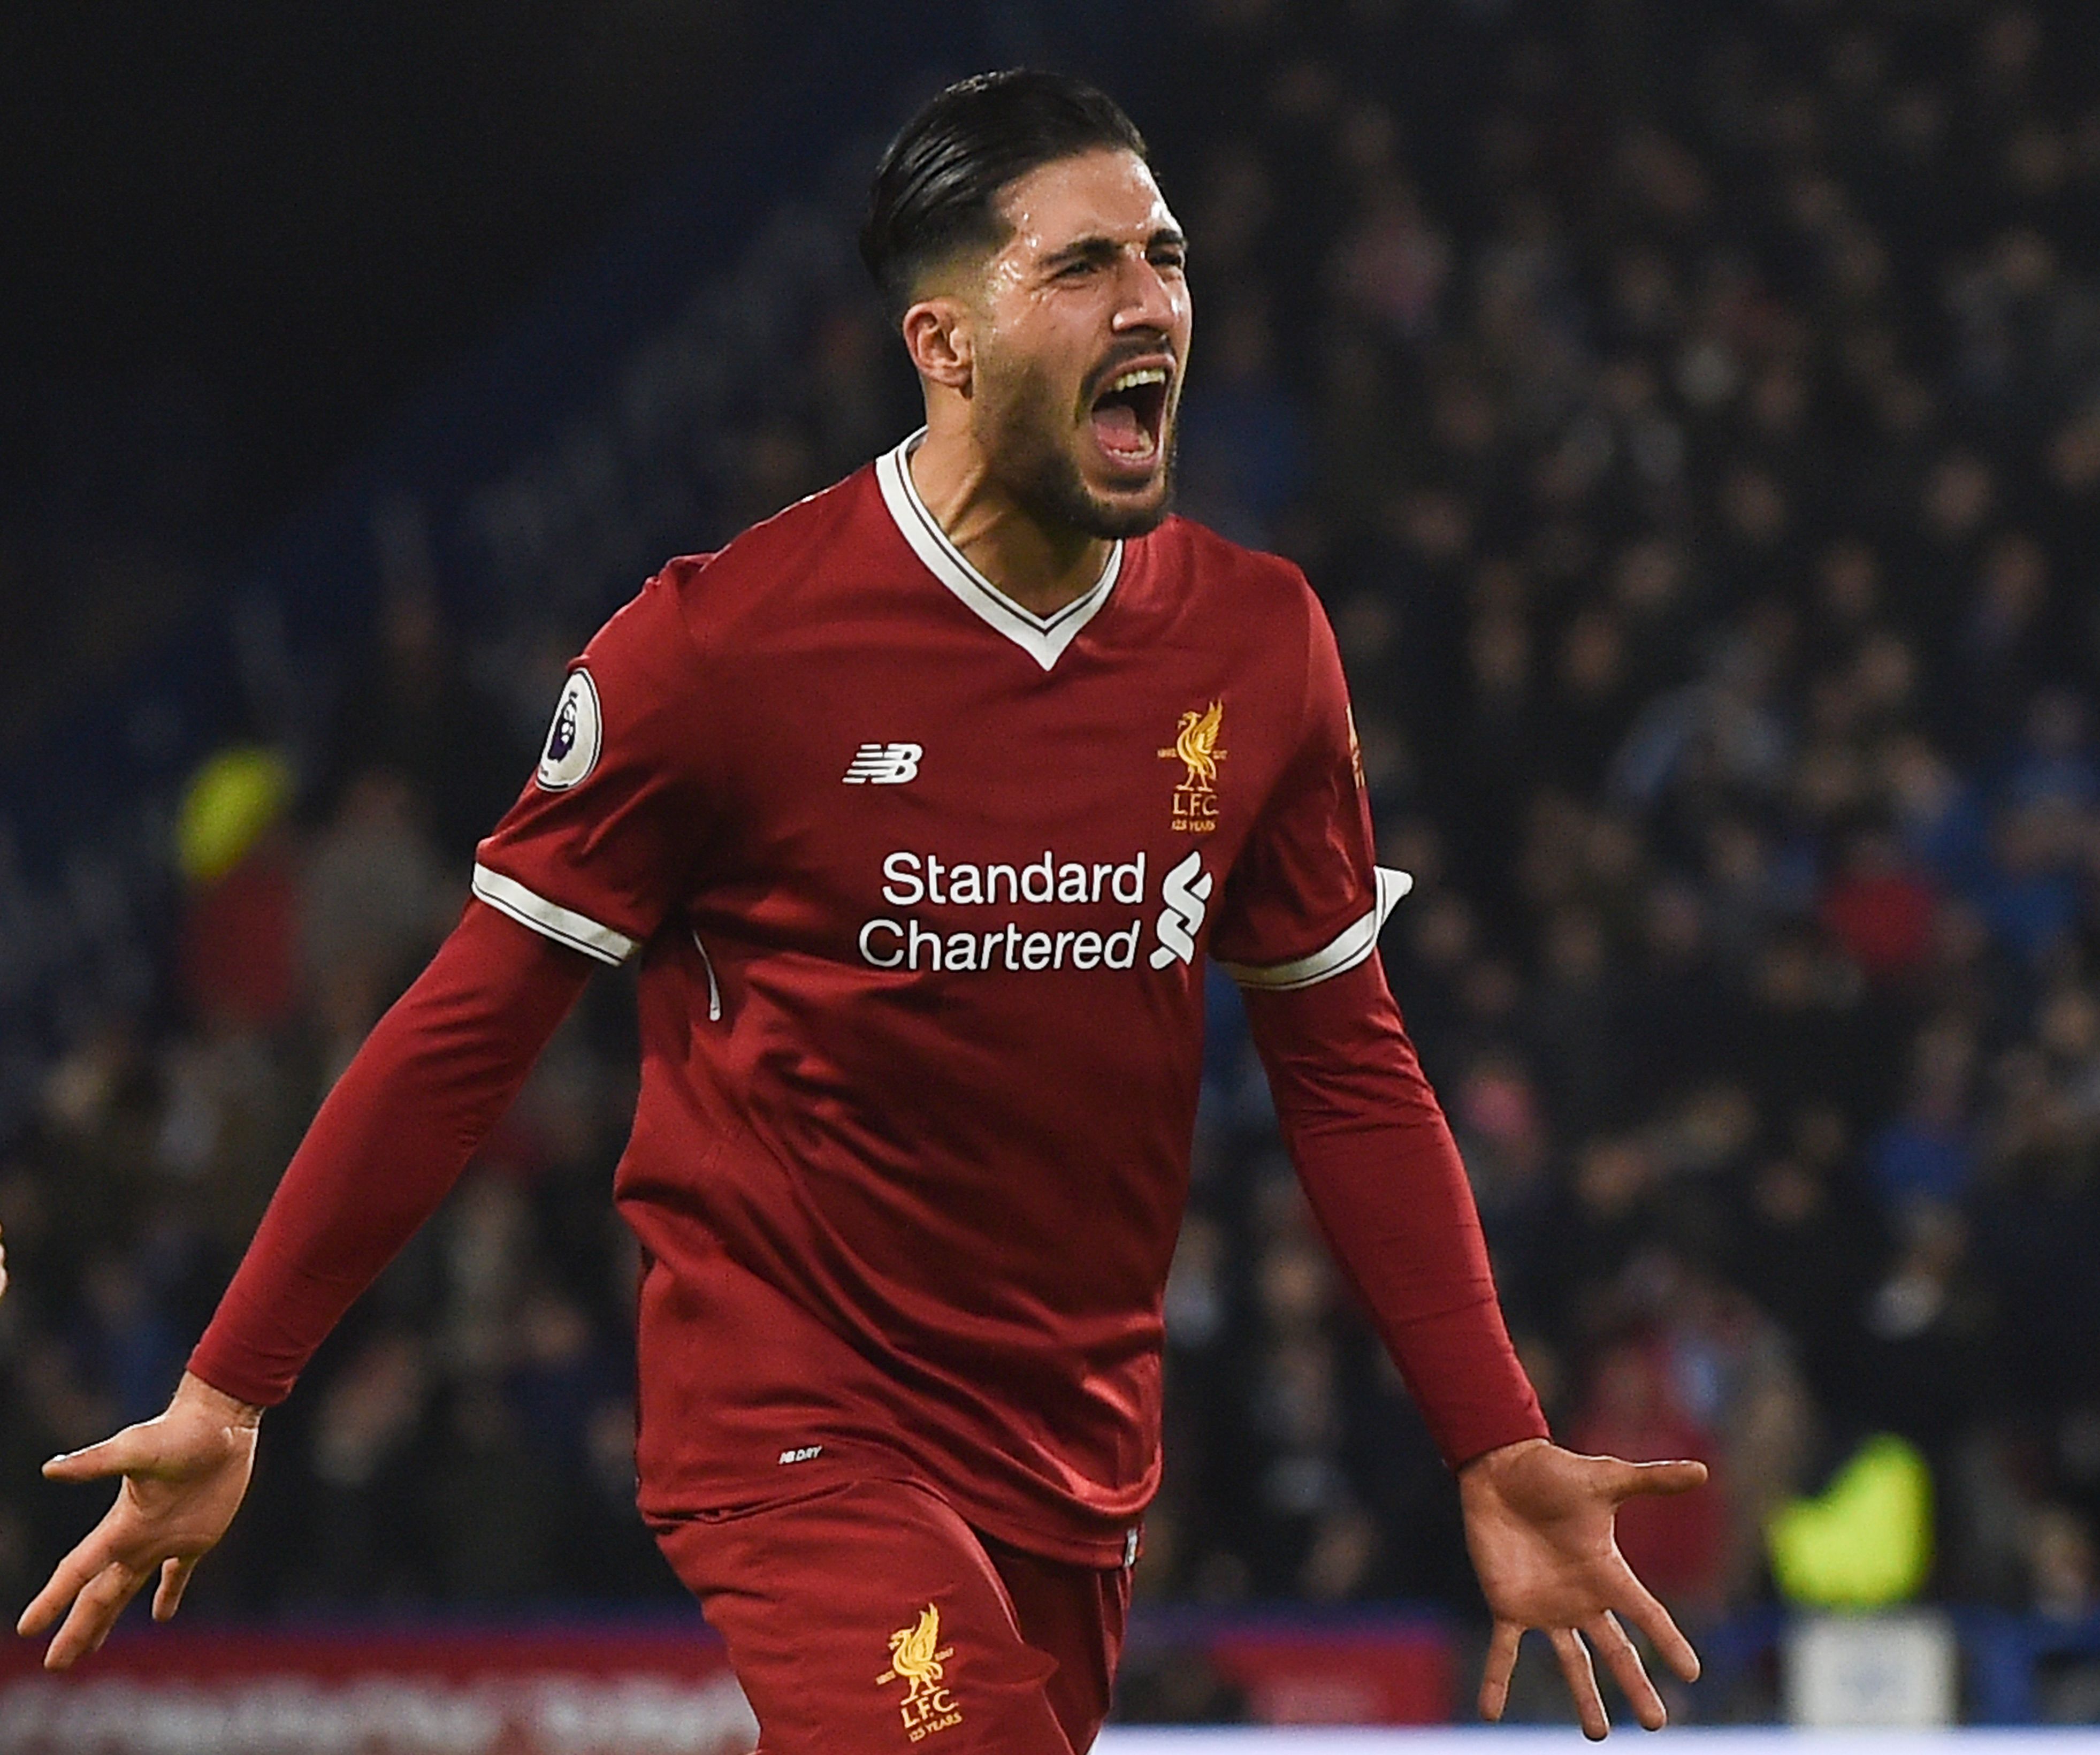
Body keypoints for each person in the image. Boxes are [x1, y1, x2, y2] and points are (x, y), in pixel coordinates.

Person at [17, 72, 1705, 1751]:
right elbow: (468, 1032)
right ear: (944, 344)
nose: (1152, 303)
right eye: (1085, 265)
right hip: (795, 1416)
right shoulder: (723, 650)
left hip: (1072, 1442)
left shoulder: (1258, 648)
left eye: (1167, 255)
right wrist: (232, 1388)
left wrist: (1495, 1438)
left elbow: (1346, 1066)